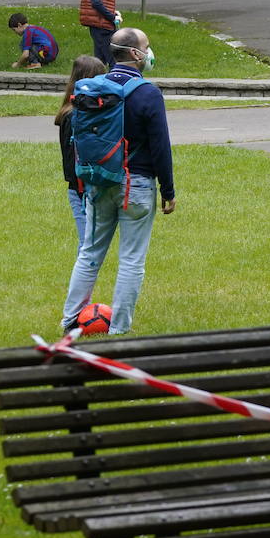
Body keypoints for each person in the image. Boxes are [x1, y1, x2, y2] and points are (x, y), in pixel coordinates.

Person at [60, 28, 174, 337]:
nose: (150, 52)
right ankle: (119, 327)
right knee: (132, 259)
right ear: (136, 54)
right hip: (136, 186)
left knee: (90, 253)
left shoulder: (95, 87)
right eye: (147, 47)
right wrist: (168, 190)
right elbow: (160, 145)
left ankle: (70, 319)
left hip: (98, 183)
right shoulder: (148, 92)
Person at [54, 54, 107, 241]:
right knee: (87, 242)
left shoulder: (75, 113)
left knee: (91, 240)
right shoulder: (73, 116)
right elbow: (72, 157)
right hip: (80, 187)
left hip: (83, 185)